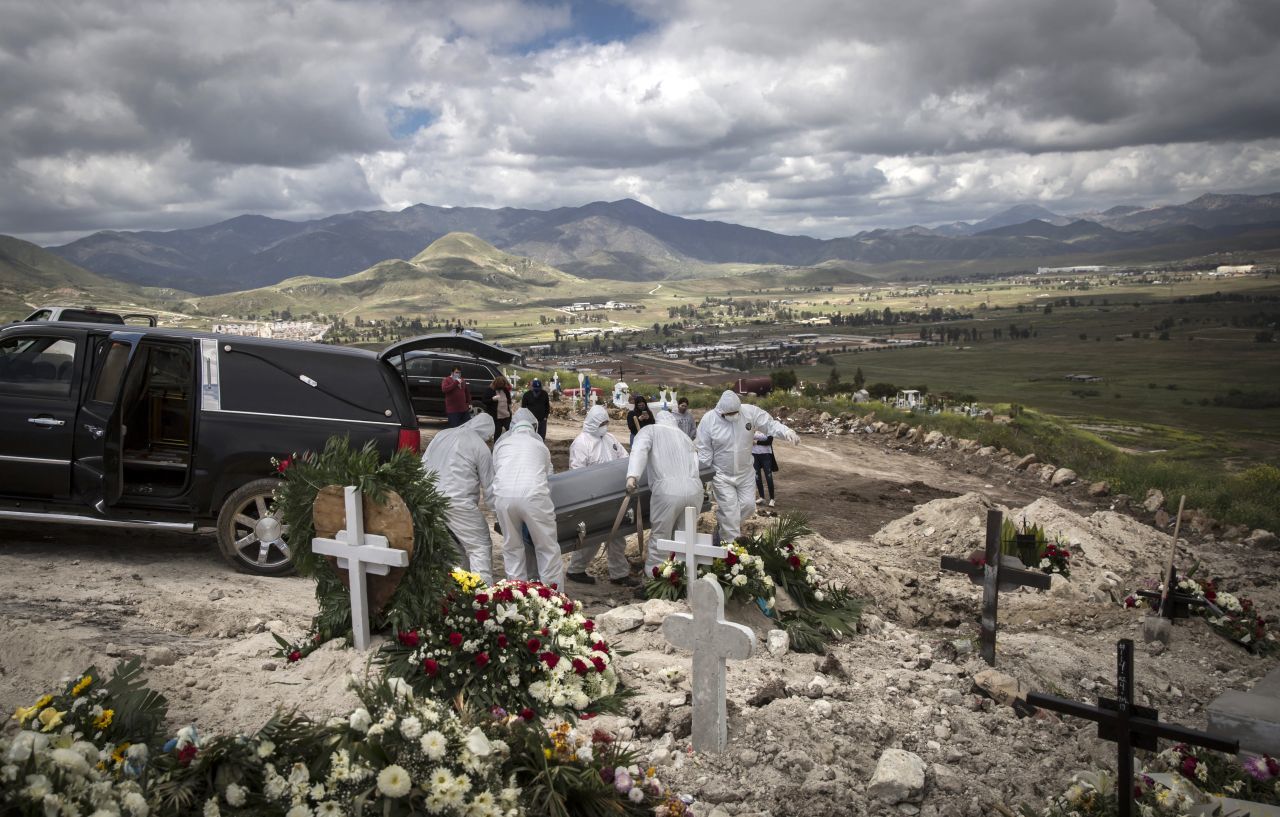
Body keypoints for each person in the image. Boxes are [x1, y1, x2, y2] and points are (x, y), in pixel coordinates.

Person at [696, 390, 799, 541]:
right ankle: (729, 548)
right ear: (720, 411)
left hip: (745, 473)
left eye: (735, 413)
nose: (733, 416)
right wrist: (704, 477)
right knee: (730, 511)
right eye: (729, 414)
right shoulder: (708, 420)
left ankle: (723, 528)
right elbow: (704, 450)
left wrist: (786, 431)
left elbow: (769, 424)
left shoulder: (749, 412)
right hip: (721, 475)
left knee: (749, 506)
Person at [627, 410, 704, 579]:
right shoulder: (685, 437)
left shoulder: (650, 430)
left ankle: (656, 576)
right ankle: (683, 575)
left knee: (661, 536)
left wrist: (633, 475)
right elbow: (695, 462)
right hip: (694, 489)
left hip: (668, 491)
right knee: (686, 537)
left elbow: (639, 450)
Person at [491, 408, 563, 589]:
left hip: (504, 497)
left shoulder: (502, 445)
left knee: (512, 548)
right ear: (533, 427)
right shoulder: (540, 446)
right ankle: (553, 596)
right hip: (534, 496)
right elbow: (548, 476)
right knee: (546, 548)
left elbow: (497, 472)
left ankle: (517, 594)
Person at [421, 413, 496, 584]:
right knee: (479, 546)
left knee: (451, 551)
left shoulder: (441, 435)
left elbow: (423, 465)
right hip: (459, 503)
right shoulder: (479, 446)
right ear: (487, 433)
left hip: (430, 500)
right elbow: (490, 487)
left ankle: (455, 592)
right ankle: (482, 593)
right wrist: (500, 516)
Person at [565, 405, 635, 586]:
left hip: (613, 495)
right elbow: (577, 473)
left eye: (606, 423)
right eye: (602, 423)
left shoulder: (610, 438)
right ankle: (575, 570)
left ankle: (619, 574)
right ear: (593, 423)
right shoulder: (581, 443)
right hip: (593, 497)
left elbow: (624, 458)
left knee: (617, 535)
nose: (605, 426)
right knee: (592, 536)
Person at [752, 430, 778, 507]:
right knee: (757, 477)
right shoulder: (752, 427)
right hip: (754, 455)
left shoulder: (768, 429)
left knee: (768, 477)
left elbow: (769, 441)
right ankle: (762, 497)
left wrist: (756, 442)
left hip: (766, 455)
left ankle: (772, 499)